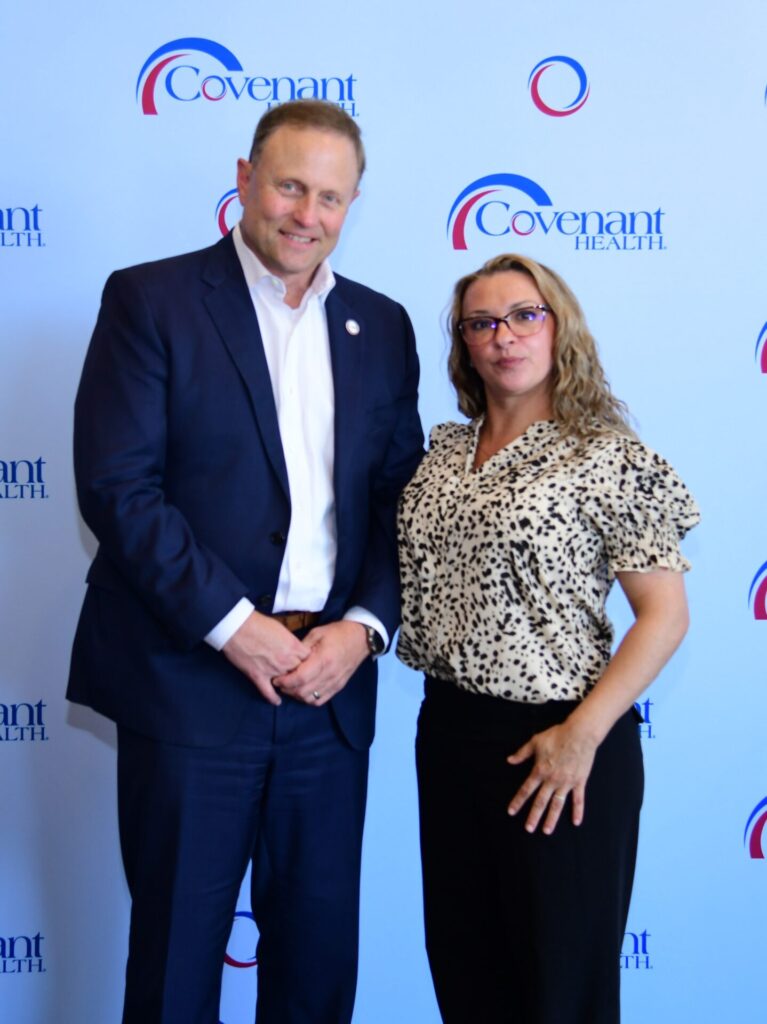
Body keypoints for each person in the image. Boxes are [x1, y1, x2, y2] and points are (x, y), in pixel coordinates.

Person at [68, 99, 423, 1024]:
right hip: (191, 684)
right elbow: (118, 488)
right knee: (178, 970)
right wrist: (236, 627)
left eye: (332, 197)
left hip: (330, 695)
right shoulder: (152, 300)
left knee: (314, 970)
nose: (308, 213)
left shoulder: (381, 327)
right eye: (291, 186)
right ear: (244, 182)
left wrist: (364, 628)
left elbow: (401, 499)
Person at [396, 253, 699, 1024]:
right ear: (463, 344)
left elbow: (664, 616)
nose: (505, 336)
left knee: (559, 992)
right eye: (482, 322)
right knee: (466, 976)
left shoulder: (607, 455)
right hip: (451, 736)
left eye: (525, 315)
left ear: (558, 326)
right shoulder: (437, 457)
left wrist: (579, 736)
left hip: (563, 745)